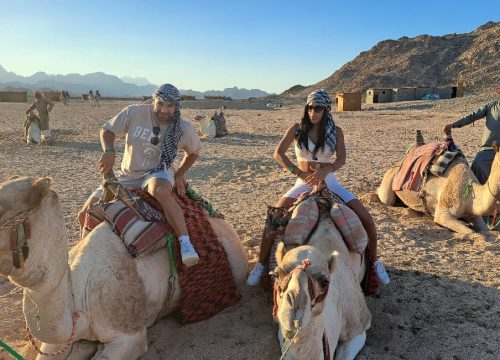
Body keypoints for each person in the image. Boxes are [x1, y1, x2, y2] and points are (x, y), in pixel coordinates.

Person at [247, 89, 390, 286]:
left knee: (367, 219)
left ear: (326, 110)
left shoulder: (335, 131)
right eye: (310, 108)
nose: (313, 112)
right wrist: (299, 173)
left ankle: (374, 262)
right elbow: (278, 154)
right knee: (274, 217)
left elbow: (342, 158)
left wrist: (327, 170)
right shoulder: (297, 129)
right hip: (302, 183)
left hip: (330, 181)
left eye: (318, 108)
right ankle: (261, 264)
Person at [78, 83, 202, 266]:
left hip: (158, 170)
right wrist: (109, 150)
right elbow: (107, 130)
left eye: (169, 106)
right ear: (153, 101)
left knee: (159, 190)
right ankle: (82, 253)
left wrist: (179, 174)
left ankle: (185, 243)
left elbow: (194, 152)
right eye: (160, 104)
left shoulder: (182, 128)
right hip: (127, 174)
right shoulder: (135, 112)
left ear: (176, 107)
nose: (164, 110)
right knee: (84, 213)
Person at [443, 84, 500, 184]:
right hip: (488, 148)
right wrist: (453, 125)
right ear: (498, 91)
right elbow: (472, 116)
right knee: (477, 165)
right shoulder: (491, 106)